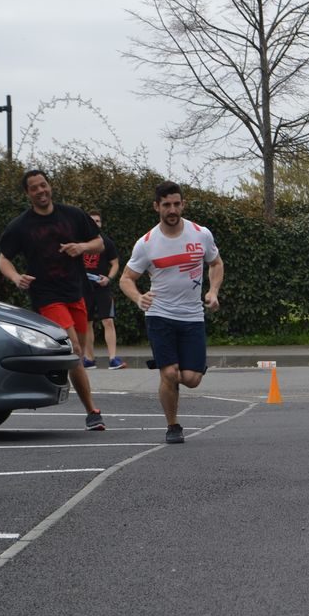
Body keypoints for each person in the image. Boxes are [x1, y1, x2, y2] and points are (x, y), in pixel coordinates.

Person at [0, 169, 107, 431]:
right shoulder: (21, 225)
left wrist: (81, 247)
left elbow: (99, 243)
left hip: (76, 292)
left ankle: (86, 407)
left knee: (75, 357)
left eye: (43, 185)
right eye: (34, 188)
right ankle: (93, 411)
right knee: (74, 350)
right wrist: (15, 278)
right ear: (28, 193)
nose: (40, 191)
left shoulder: (72, 215)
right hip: (47, 296)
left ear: (50, 187)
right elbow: (3, 258)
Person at [119, 181, 223, 444]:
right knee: (168, 374)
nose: (172, 209)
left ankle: (183, 366)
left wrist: (213, 292)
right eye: (166, 205)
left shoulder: (201, 234)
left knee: (191, 379)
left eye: (176, 204)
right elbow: (126, 279)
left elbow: (216, 263)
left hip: (191, 316)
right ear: (157, 207)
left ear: (183, 204)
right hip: (159, 314)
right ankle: (173, 425)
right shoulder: (146, 243)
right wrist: (138, 297)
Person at [81, 209, 127, 370]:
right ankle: (89, 359)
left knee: (108, 321)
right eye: (92, 221)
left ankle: (113, 359)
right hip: (84, 289)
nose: (95, 223)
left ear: (101, 223)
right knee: (86, 323)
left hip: (102, 288)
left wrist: (108, 278)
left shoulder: (107, 242)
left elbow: (115, 264)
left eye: (98, 221)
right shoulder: (80, 242)